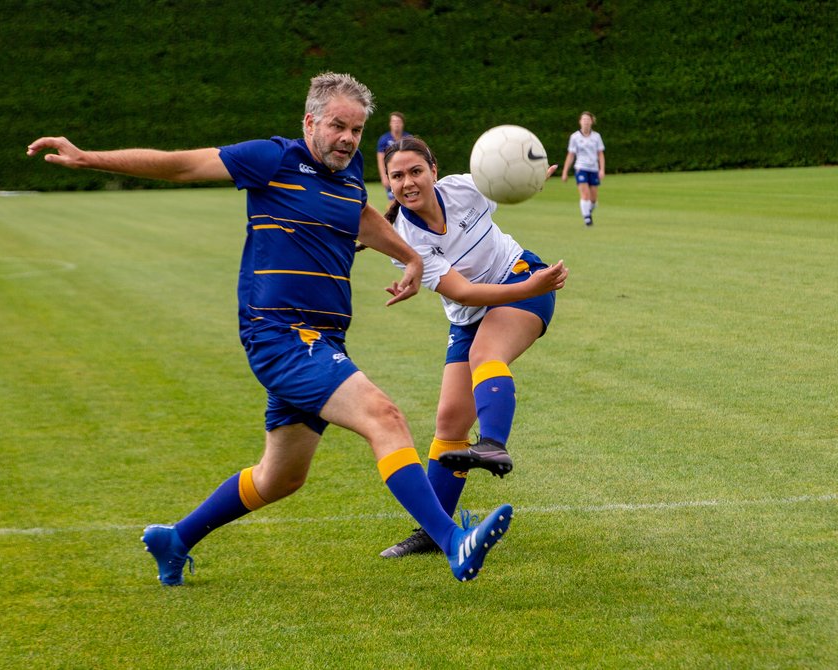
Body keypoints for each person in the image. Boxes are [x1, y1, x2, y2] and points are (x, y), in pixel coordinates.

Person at [26, 72, 513, 584]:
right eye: (338, 126)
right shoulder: (271, 158)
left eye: (356, 129)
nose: (348, 138)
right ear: (310, 122)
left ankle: (176, 539)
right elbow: (182, 164)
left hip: (321, 340)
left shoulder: (348, 174)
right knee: (384, 416)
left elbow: (361, 213)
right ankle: (452, 541)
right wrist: (89, 158)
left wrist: (409, 255)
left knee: (280, 477)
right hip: (281, 335)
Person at [374, 136, 567, 558]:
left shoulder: (463, 187)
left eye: (416, 171)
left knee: (486, 355)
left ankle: (493, 444)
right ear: (387, 182)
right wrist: (529, 288)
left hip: (521, 275)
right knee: (449, 422)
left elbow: (505, 181)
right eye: (397, 176)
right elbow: (463, 293)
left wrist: (529, 177)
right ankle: (435, 531)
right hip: (476, 309)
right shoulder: (402, 239)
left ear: (434, 171)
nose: (408, 182)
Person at [561, 111, 605, 226]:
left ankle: (587, 211)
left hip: (594, 169)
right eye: (584, 119)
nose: (586, 122)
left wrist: (602, 169)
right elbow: (571, 155)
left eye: (588, 120)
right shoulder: (575, 137)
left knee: (593, 199)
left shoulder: (596, 136)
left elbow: (600, 154)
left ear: (591, 122)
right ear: (580, 121)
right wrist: (565, 172)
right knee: (585, 194)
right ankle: (587, 219)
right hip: (581, 168)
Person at [375, 111, 410, 200]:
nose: (396, 124)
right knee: (393, 201)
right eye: (394, 121)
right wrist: (384, 176)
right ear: (390, 124)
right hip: (392, 174)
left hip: (406, 174)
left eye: (398, 121)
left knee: (407, 198)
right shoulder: (384, 139)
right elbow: (380, 159)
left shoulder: (408, 139)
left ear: (402, 124)